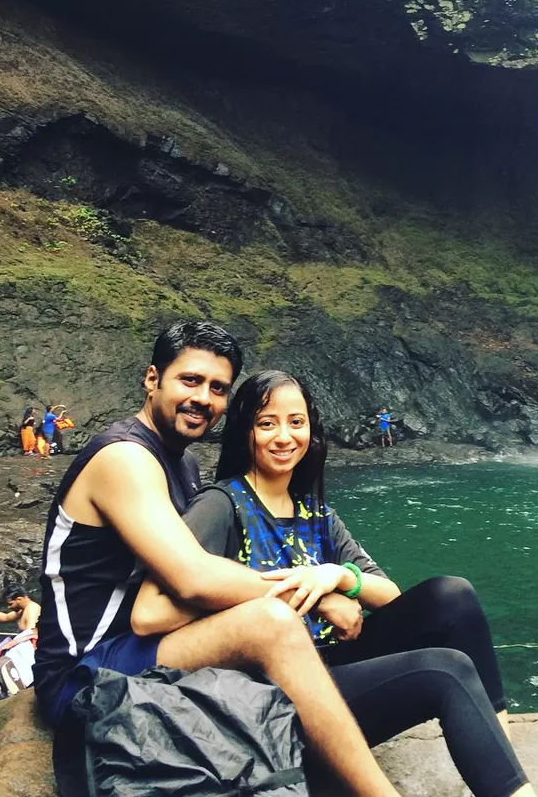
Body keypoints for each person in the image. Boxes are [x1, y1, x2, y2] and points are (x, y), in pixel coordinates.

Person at [33, 322, 405, 797]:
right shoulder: (124, 457)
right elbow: (191, 578)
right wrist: (319, 593)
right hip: (87, 672)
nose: (203, 398)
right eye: (190, 380)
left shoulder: (183, 462)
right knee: (271, 620)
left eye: (218, 389)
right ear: (153, 379)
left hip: (150, 646)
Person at [132, 369, 536, 797]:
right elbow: (154, 609)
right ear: (245, 431)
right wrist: (308, 598)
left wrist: (337, 577)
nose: (284, 436)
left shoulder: (315, 512)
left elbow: (390, 595)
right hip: (282, 695)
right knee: (446, 669)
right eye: (267, 423)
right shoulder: (221, 505)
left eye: (296, 422)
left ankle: (501, 757)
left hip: (336, 664)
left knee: (452, 596)